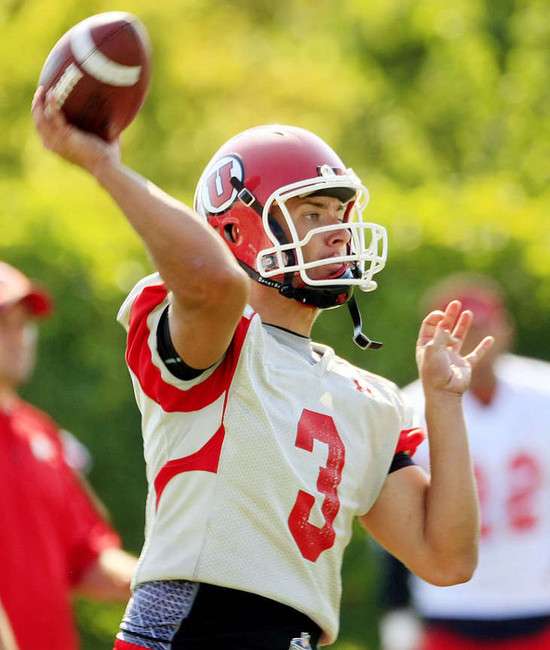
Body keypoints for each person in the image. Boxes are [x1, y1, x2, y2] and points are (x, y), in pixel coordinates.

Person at [32, 86, 495, 650]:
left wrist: (443, 404)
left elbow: (448, 560)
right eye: (310, 212)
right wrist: (107, 167)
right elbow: (217, 282)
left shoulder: (367, 397)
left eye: (339, 214)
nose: (337, 231)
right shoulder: (223, 335)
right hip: (190, 628)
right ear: (234, 229)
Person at [378, 274, 550, 650]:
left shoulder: (543, 392)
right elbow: (400, 514)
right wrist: (396, 607)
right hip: (450, 603)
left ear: (505, 327)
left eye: (481, 325)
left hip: (538, 599)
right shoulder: (408, 409)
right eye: (458, 328)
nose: (471, 339)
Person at [0, 261, 137, 650]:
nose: (19, 337)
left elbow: (88, 559)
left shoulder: (40, 433)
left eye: (24, 324)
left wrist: (177, 583)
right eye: (3, 323)